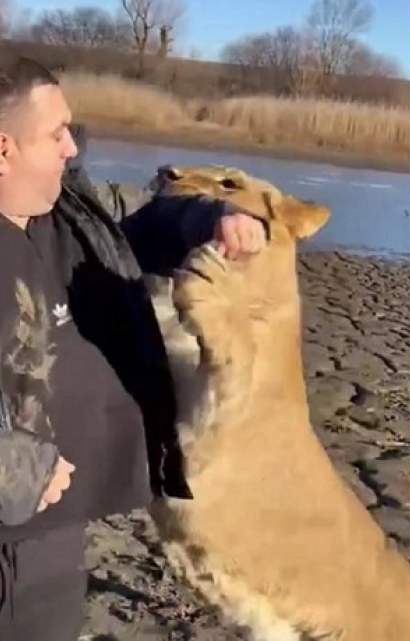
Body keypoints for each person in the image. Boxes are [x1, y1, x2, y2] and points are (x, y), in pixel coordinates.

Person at [0, 56, 268, 640]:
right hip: (11, 532)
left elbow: (145, 223)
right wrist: (15, 466)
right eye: (56, 134)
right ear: (3, 149)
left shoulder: (71, 209)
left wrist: (218, 216)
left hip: (55, 524)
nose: (73, 147)